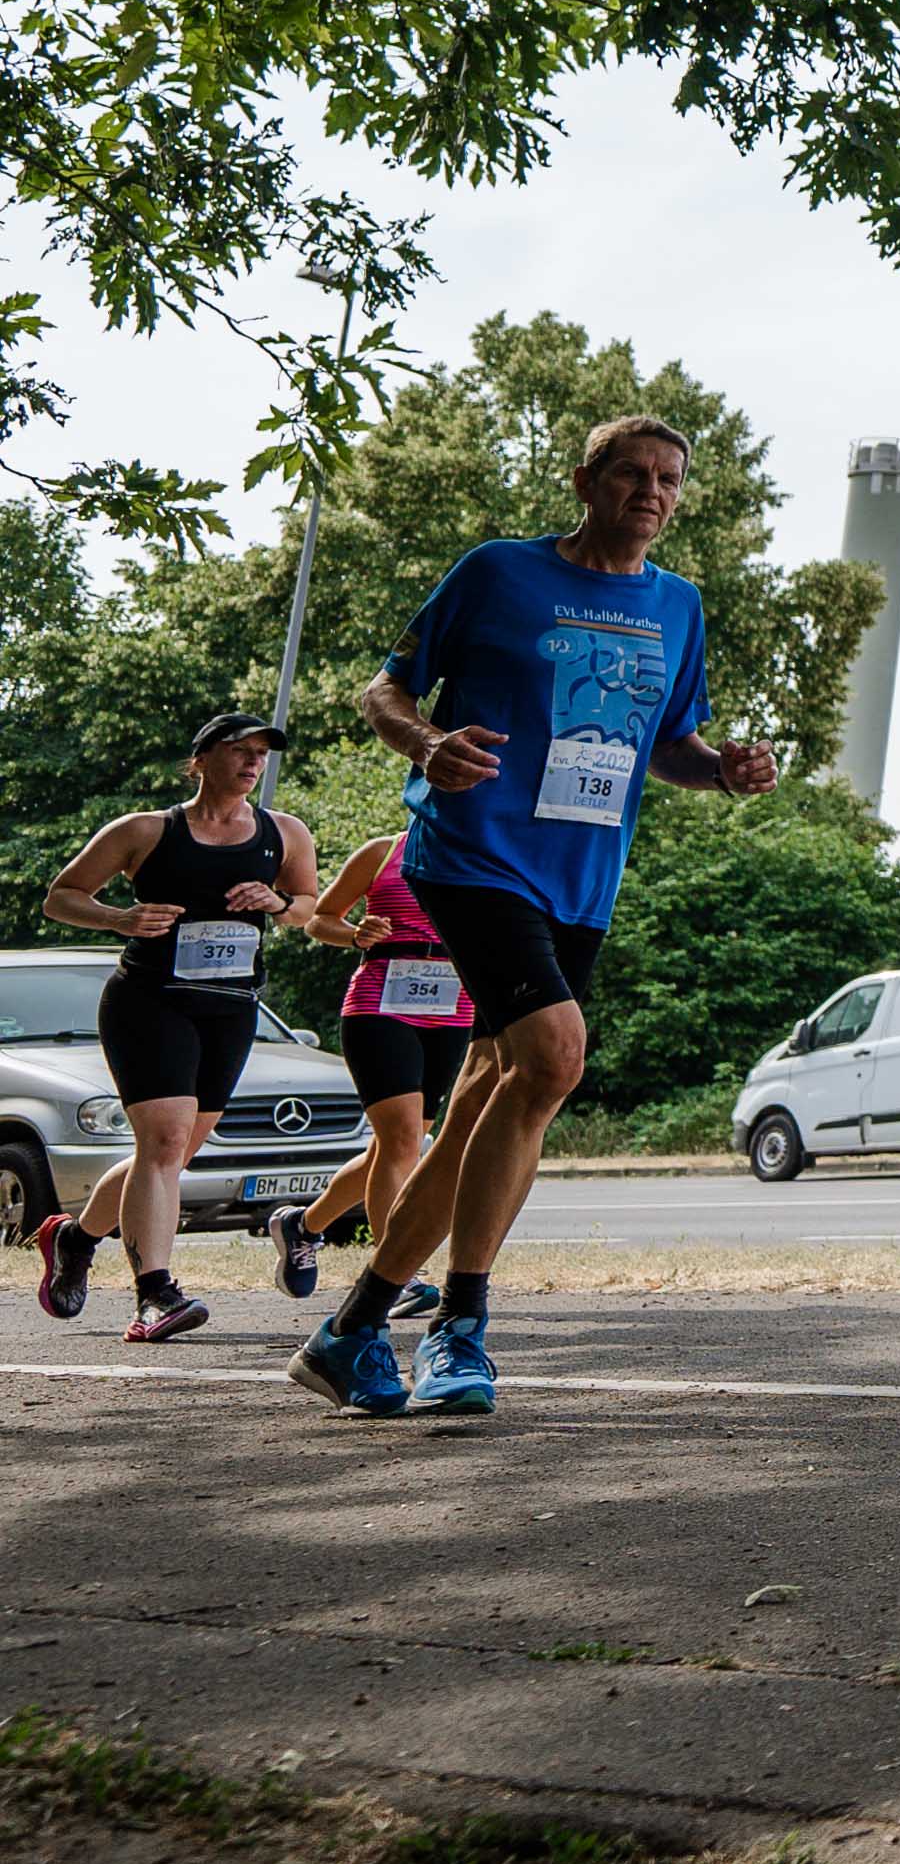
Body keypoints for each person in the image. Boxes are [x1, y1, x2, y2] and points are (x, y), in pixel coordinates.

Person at [293, 415, 778, 1421]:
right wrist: (426, 744)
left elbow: (669, 744)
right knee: (555, 1054)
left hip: (577, 879)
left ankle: (350, 1328)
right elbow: (385, 687)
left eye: (671, 478)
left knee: (482, 1101)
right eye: (634, 472)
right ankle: (459, 1328)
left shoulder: (678, 605)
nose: (654, 490)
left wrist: (722, 771)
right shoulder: (498, 571)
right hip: (471, 851)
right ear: (585, 479)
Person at [34, 716, 318, 1339]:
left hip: (231, 1007)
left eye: (260, 756)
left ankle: (75, 1238)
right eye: (239, 752)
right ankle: (155, 1296)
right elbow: (62, 896)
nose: (251, 764)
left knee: (169, 1155)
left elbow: (308, 908)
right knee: (163, 1147)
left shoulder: (284, 833)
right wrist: (120, 918)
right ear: (201, 760)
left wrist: (278, 904)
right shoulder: (145, 830)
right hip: (150, 1001)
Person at [279, 827, 476, 1311]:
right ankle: (394, 1276)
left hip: (453, 1004)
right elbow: (320, 920)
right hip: (379, 1003)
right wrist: (354, 934)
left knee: (394, 1148)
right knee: (404, 1140)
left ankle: (303, 1225)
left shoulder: (491, 849)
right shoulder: (383, 851)